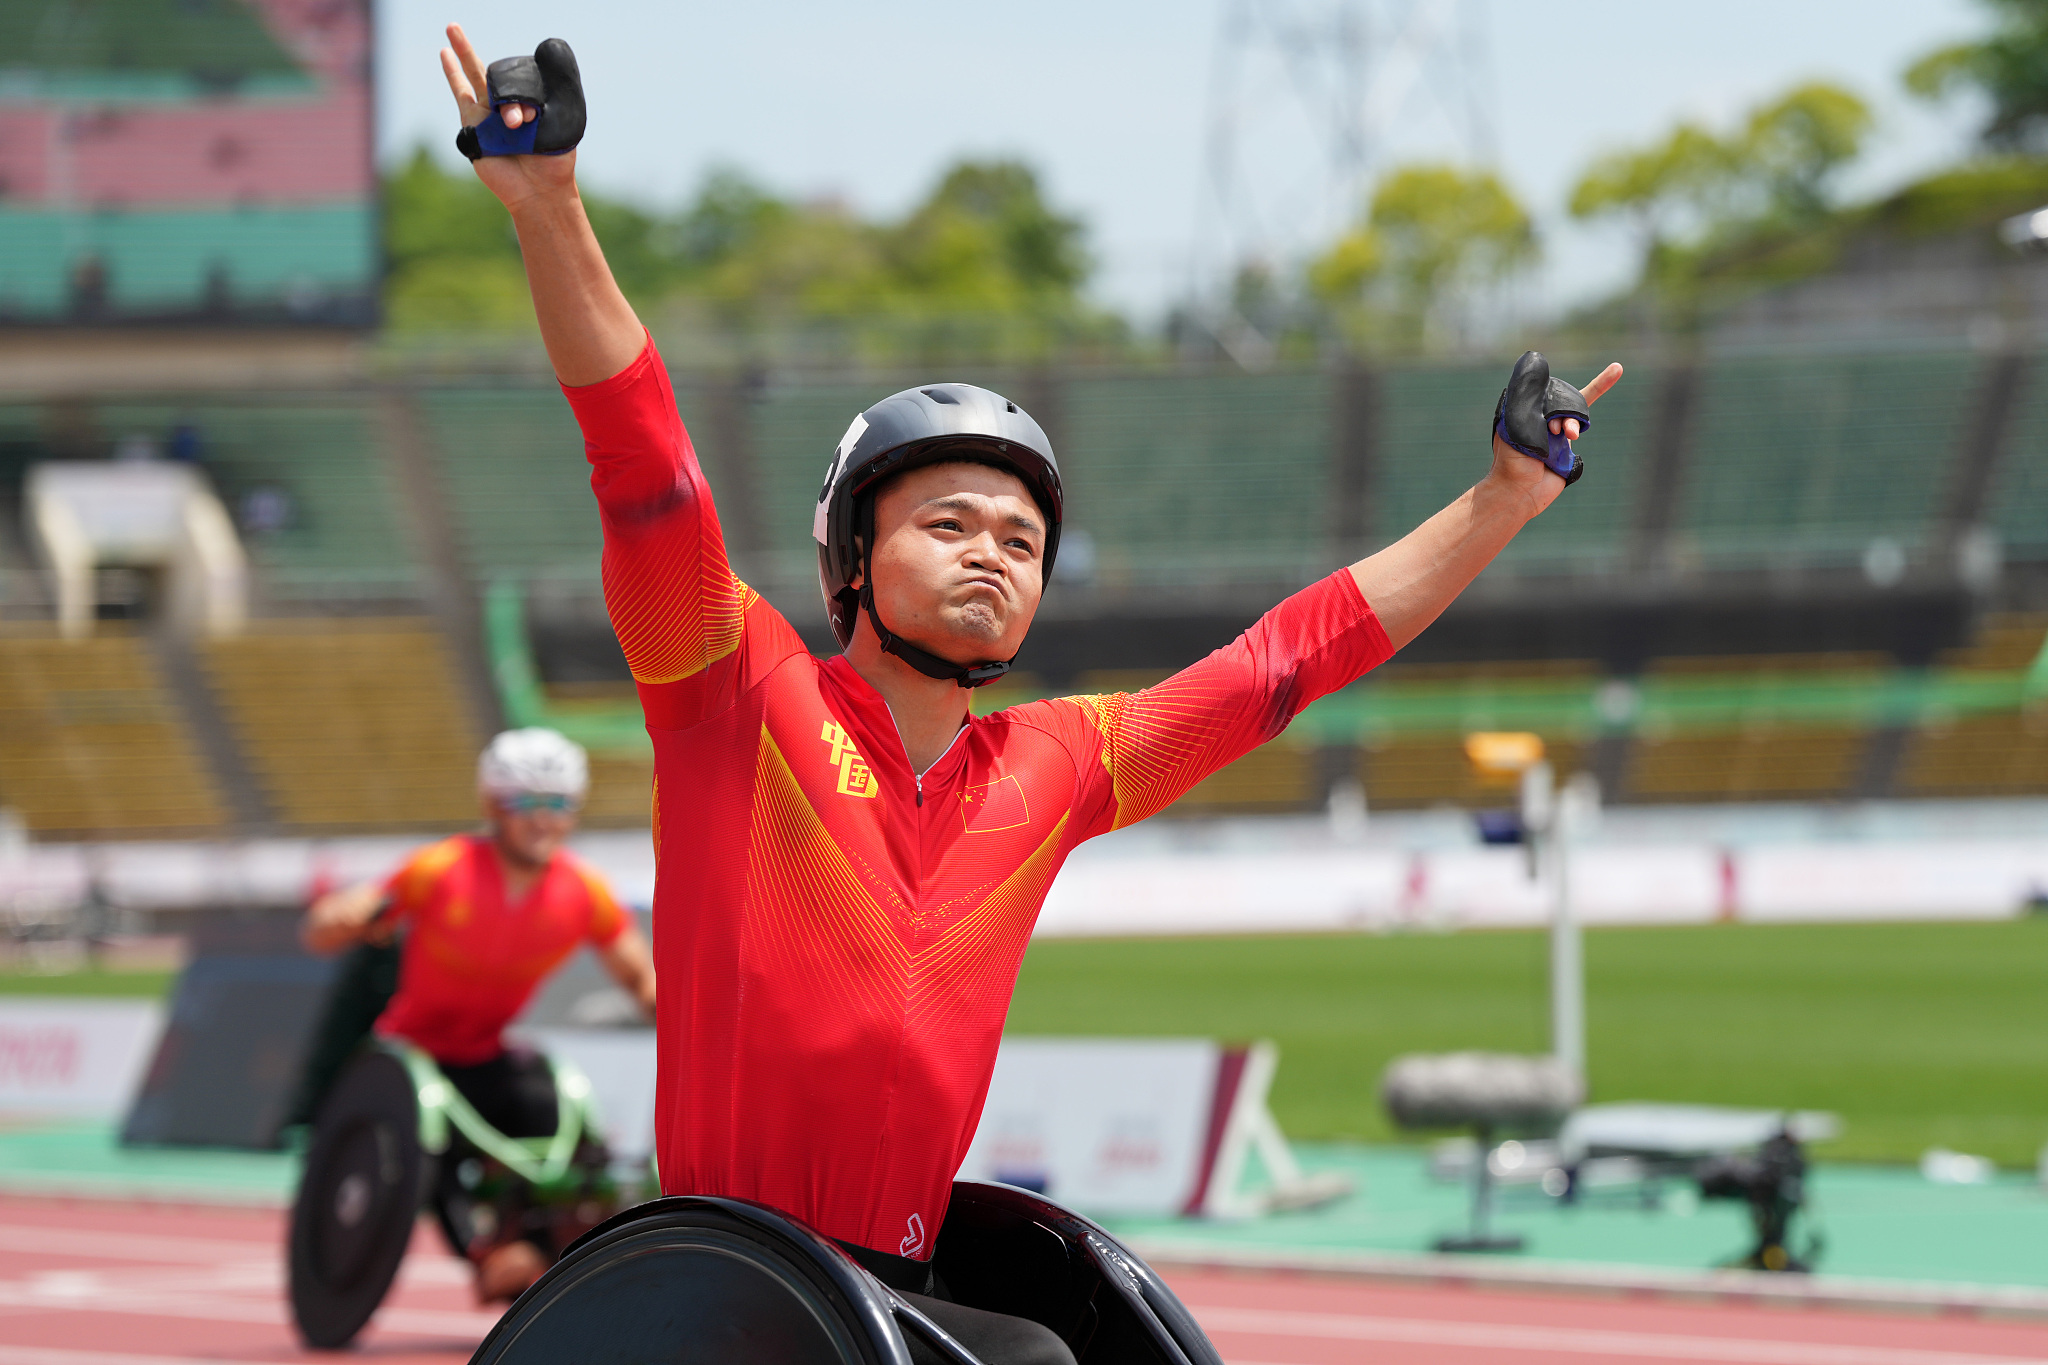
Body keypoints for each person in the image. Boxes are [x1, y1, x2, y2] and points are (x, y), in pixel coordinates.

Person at [438, 26, 1619, 1363]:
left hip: (900, 1286)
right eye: (948, 522)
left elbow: (1290, 661)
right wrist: (551, 208)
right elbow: (646, 468)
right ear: (852, 559)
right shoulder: (735, 687)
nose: (993, 555)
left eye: (1020, 539)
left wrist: (1503, 501)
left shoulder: (1059, 764)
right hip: (725, 1287)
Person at [303, 726, 656, 1302]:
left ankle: (538, 1253)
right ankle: (484, 1256)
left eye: (559, 804)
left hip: (486, 1052)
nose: (544, 820)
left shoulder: (584, 892)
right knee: (431, 1135)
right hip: (413, 1054)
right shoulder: (442, 869)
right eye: (527, 804)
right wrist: (343, 913)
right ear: (494, 805)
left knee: (553, 1115)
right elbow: (327, 926)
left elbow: (641, 981)